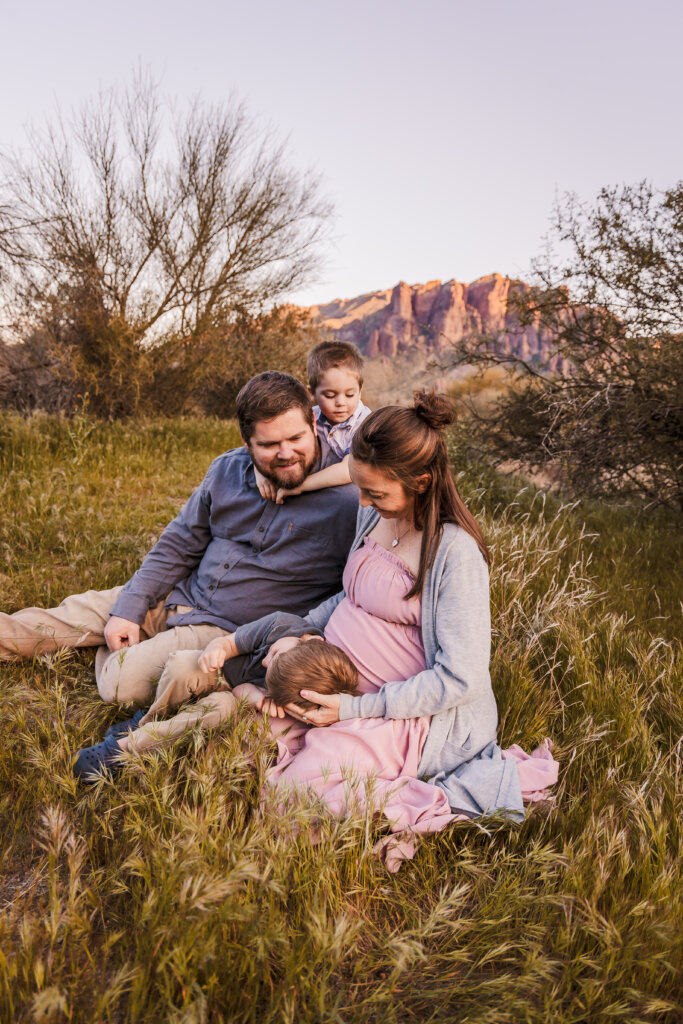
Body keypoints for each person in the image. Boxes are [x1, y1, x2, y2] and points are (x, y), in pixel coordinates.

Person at [0, 372, 359, 714]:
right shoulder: (226, 470)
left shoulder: (350, 502)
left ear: (314, 425)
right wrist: (130, 606)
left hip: (225, 629)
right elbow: (180, 541)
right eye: (268, 444)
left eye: (295, 438)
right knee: (50, 622)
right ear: (246, 441)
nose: (285, 453)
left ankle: (126, 646)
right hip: (177, 592)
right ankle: (122, 629)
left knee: (122, 684)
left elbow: (352, 593)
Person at [255, 341, 371, 505]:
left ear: (360, 391)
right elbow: (269, 437)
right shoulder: (310, 416)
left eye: (350, 394)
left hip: (351, 495)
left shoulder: (364, 423)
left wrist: (301, 486)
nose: (340, 402)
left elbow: (348, 469)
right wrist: (259, 471)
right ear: (312, 393)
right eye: (330, 395)